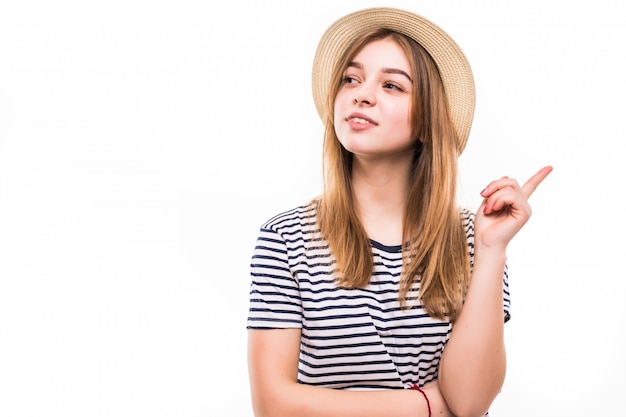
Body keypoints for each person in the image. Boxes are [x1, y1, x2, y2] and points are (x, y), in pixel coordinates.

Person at [246, 7, 552, 417]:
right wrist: (425, 402)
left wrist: (492, 248)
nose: (362, 93)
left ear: (428, 120)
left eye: (392, 85)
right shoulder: (286, 238)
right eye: (351, 79)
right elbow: (274, 405)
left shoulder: (471, 236)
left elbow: (470, 401)